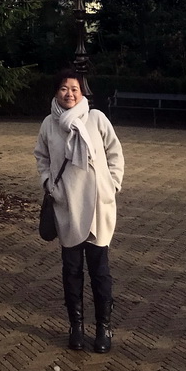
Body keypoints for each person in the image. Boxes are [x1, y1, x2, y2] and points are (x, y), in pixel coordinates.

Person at [34, 68, 124, 353]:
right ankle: (76, 326)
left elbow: (115, 152)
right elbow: (41, 156)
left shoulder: (96, 118)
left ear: (82, 91)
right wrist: (49, 184)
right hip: (67, 206)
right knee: (71, 271)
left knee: (100, 272)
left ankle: (103, 329)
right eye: (63, 88)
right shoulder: (49, 123)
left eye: (74, 88)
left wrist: (112, 186)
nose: (69, 93)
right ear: (56, 92)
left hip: (98, 207)